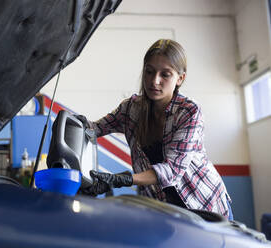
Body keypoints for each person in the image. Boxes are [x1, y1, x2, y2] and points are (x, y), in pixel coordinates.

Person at [80, 39, 233, 220]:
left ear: (180, 78)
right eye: (149, 71)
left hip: (204, 206)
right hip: (163, 211)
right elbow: (95, 128)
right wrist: (77, 122)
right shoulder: (130, 108)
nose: (155, 81)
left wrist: (123, 179)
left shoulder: (189, 112)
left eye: (165, 74)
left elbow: (173, 170)